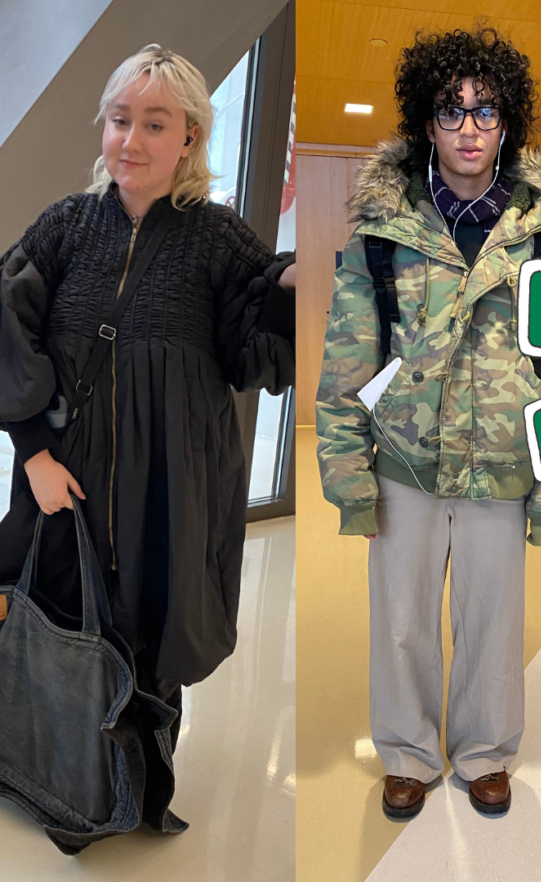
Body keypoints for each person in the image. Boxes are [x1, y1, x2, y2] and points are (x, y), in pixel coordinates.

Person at [0, 45, 295, 837]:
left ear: (190, 137)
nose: (130, 140)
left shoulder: (221, 242)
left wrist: (309, 277)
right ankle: (51, 771)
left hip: (173, 489)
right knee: (55, 625)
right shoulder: (65, 226)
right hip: (63, 481)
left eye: (154, 124)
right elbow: (7, 328)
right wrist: (33, 456)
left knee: (153, 628)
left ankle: (129, 792)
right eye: (120, 120)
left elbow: (255, 343)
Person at [315, 28, 541, 820]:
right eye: (451, 110)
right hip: (405, 459)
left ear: (507, 123)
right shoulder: (382, 230)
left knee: (493, 622)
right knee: (400, 622)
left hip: (505, 458)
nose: (469, 127)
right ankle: (405, 754)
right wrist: (349, 482)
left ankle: (484, 753)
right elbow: (345, 367)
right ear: (426, 124)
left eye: (486, 110)